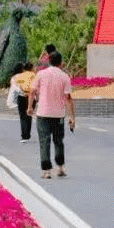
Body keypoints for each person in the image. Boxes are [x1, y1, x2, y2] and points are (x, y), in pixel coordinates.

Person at [30, 50, 74, 178]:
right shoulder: (65, 77)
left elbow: (32, 92)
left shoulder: (41, 74)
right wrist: (71, 116)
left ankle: (47, 171)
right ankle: (60, 168)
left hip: (43, 114)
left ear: (49, 61)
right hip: (58, 115)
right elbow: (68, 98)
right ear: (61, 63)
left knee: (44, 141)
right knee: (58, 141)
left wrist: (29, 107)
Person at [11, 61, 36, 142]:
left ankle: (24, 136)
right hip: (31, 97)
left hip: (21, 96)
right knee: (29, 115)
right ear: (31, 68)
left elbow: (16, 86)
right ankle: (28, 134)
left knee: (22, 116)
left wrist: (22, 91)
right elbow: (36, 87)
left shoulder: (20, 76)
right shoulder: (34, 75)